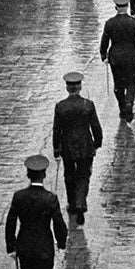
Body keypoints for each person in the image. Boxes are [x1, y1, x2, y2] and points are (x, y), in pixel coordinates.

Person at [4, 154, 68, 269]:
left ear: (28, 174)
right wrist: (62, 242)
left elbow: (10, 221)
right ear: (44, 175)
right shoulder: (50, 199)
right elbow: (58, 223)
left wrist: (11, 245)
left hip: (24, 247)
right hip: (44, 249)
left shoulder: (19, 197)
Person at [51, 70, 103, 227]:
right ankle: (81, 202)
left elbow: (56, 129)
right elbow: (95, 126)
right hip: (85, 145)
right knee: (84, 175)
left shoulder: (60, 106)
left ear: (67, 88)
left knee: (69, 175)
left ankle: (72, 203)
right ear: (79, 87)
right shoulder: (88, 105)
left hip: (67, 146)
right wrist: (97, 142)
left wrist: (56, 148)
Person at [100, 0, 135, 122]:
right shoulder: (134, 23)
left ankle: (122, 106)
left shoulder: (110, 23)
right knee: (131, 82)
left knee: (118, 83)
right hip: (131, 56)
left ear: (116, 7)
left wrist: (103, 55)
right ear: (127, 6)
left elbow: (104, 41)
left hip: (115, 57)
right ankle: (129, 102)